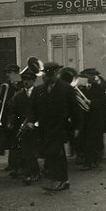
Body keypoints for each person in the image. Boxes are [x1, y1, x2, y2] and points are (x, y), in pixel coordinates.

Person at [29, 62, 78, 191]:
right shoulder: (39, 89)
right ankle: (55, 179)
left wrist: (77, 127)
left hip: (60, 127)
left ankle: (62, 180)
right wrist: (30, 121)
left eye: (51, 74)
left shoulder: (66, 88)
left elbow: (75, 110)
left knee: (58, 154)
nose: (48, 77)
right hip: (44, 128)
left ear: (57, 74)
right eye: (46, 74)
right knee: (49, 154)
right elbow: (33, 108)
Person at [8, 70, 39, 183]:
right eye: (24, 80)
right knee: (27, 151)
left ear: (34, 80)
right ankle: (31, 173)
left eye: (29, 80)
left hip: (37, 126)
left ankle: (39, 172)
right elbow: (13, 110)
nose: (26, 82)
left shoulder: (39, 92)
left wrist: (35, 123)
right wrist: (11, 122)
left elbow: (44, 110)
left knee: (37, 150)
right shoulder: (19, 95)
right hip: (24, 126)